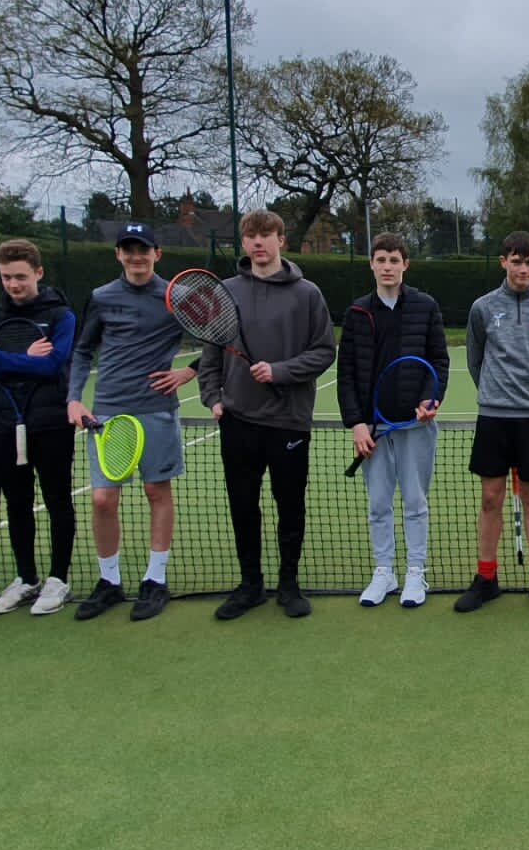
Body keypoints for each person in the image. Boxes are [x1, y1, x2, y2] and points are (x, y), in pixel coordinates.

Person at [196, 209, 336, 620]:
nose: (258, 242)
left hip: (289, 420)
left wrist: (280, 371)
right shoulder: (224, 292)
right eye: (250, 236)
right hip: (238, 421)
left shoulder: (308, 293)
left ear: (281, 240)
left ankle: (288, 585)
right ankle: (250, 585)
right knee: (243, 506)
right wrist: (212, 397)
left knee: (290, 506)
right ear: (244, 243)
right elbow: (210, 354)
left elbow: (324, 351)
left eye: (265, 235)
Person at [66, 222, 197, 622]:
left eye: (144, 249)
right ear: (118, 254)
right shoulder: (102, 298)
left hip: (157, 410)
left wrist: (187, 373)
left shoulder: (179, 297)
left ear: (158, 254)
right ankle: (109, 581)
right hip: (107, 412)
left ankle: (155, 580)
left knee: (158, 492)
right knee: (103, 499)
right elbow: (83, 350)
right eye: (128, 249)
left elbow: (223, 340)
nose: (136, 257)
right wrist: (74, 399)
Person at [455, 231, 529, 615]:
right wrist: (494, 392)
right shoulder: (482, 308)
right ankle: (486, 578)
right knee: (491, 499)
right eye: (516, 261)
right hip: (493, 417)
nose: (523, 267)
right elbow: (475, 360)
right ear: (504, 261)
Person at [0, 239, 78, 617]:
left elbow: (53, 365)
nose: (13, 284)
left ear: (38, 273)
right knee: (17, 503)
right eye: (7, 277)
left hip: (51, 423)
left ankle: (57, 578)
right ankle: (27, 577)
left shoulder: (61, 315)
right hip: (4, 424)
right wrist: (20, 359)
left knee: (58, 499)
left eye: (21, 277)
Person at [338, 231, 449, 609]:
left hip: (416, 426)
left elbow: (438, 361)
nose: (387, 266)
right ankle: (384, 571)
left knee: (415, 502)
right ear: (372, 264)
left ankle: (416, 572)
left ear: (405, 264)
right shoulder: (356, 312)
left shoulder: (425, 306)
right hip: (372, 429)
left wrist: (430, 399)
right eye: (381, 259)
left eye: (394, 260)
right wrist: (355, 423)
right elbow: (347, 373)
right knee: (379, 504)